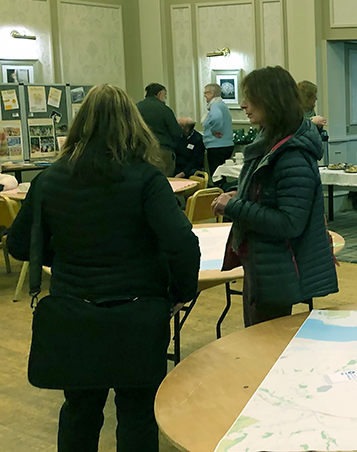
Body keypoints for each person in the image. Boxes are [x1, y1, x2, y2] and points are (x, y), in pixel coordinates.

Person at [8, 84, 199, 452]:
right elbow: (182, 243)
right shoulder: (146, 179)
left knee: (79, 411)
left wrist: (64, 257)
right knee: (138, 414)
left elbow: (19, 245)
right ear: (133, 124)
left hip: (73, 311)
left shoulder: (48, 180)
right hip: (137, 314)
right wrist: (180, 293)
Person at [211, 66, 338, 326]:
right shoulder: (272, 141)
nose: (243, 104)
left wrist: (235, 206)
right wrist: (245, 193)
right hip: (265, 266)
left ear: (270, 100)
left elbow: (289, 222)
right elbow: (271, 196)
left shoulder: (292, 155)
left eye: (250, 97)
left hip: (279, 271)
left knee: (268, 351)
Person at [136, 83, 179, 176]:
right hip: (162, 150)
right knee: (165, 179)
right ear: (160, 94)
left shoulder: (136, 108)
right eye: (165, 95)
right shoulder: (164, 109)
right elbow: (176, 132)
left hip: (141, 150)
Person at [202, 83, 234, 180]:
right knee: (221, 175)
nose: (204, 96)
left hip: (216, 146)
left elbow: (216, 118)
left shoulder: (215, 105)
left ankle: (219, 193)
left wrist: (214, 131)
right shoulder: (222, 104)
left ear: (212, 94)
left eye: (206, 93)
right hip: (226, 144)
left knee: (216, 177)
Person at [297, 80, 329, 149]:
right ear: (307, 97)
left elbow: (314, 133)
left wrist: (318, 126)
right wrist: (312, 122)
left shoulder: (310, 110)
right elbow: (297, 130)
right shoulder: (295, 110)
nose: (316, 98)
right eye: (314, 95)